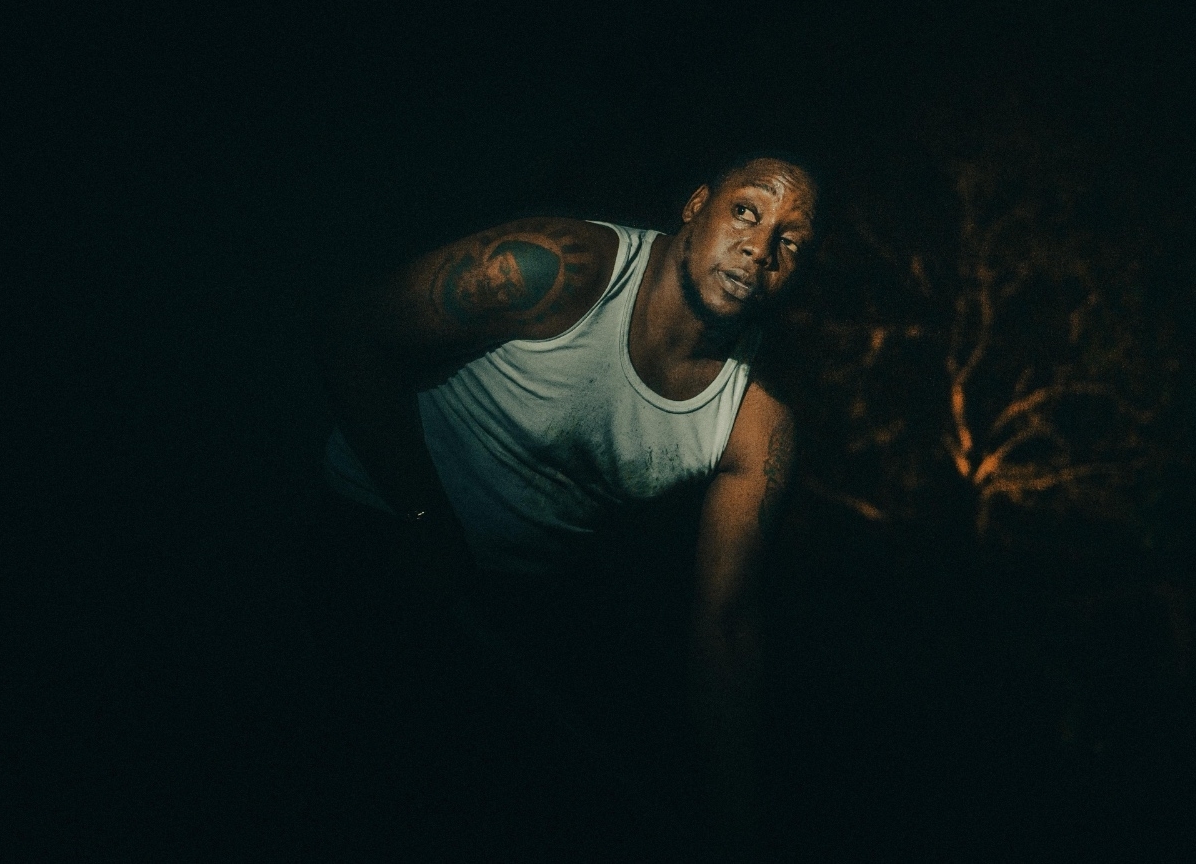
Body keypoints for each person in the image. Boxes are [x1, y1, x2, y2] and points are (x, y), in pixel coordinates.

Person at [310, 156, 817, 860]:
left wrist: (736, 822)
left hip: (505, 613)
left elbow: (726, 623)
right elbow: (354, 329)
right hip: (368, 524)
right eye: (746, 212)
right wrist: (421, 521)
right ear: (696, 206)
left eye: (789, 241)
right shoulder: (559, 266)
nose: (760, 249)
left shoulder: (758, 418)